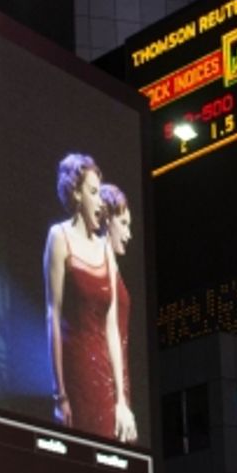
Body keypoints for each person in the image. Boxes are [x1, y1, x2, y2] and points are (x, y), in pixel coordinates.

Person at [43, 154, 135, 443]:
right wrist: (59, 394)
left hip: (108, 379)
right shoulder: (59, 237)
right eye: (93, 192)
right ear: (75, 193)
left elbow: (112, 327)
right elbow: (53, 316)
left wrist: (121, 399)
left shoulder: (104, 249)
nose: (99, 201)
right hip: (77, 375)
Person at [100, 183, 133, 429]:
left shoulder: (111, 262)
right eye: (123, 223)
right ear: (106, 220)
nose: (128, 234)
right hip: (106, 377)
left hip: (117, 375)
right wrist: (119, 399)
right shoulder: (102, 259)